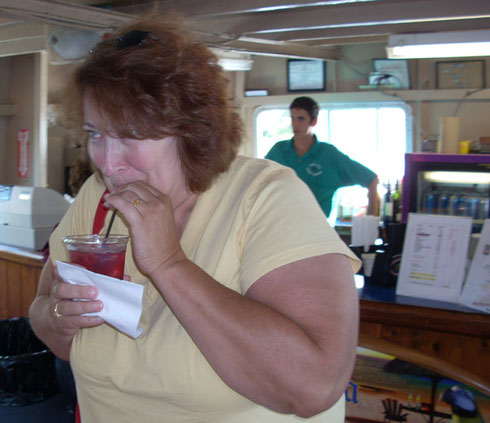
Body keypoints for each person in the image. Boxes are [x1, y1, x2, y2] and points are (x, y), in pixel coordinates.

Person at [29, 15, 360, 423]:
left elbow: (314, 388)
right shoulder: (97, 196)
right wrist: (62, 318)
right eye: (96, 134)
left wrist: (169, 264)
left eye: (130, 136)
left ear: (192, 132)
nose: (108, 163)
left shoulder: (265, 196)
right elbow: (44, 315)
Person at [265, 96, 379, 218]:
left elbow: (371, 179)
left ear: (314, 121)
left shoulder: (329, 154)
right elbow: (259, 182)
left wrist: (370, 222)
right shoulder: (278, 151)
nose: (295, 124)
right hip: (283, 226)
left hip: (319, 230)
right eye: (292, 118)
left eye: (301, 119)